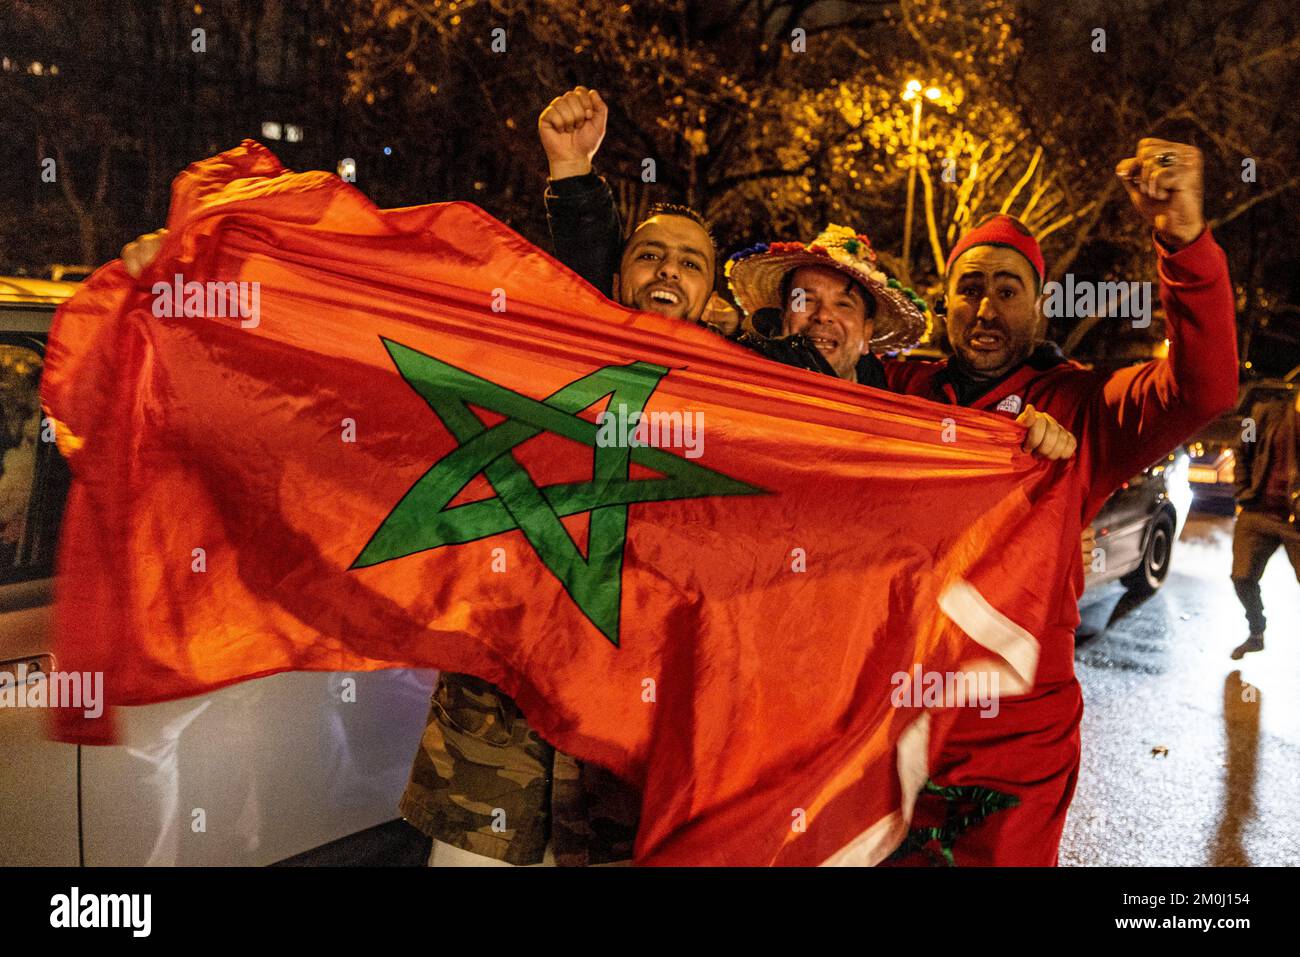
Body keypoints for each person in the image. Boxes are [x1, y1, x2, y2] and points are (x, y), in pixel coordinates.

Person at [844, 136, 1230, 865]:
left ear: (1040, 305)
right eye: (970, 285)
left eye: (1007, 288)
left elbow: (1204, 388)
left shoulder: (1085, 407)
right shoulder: (898, 390)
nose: (985, 305)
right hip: (888, 719)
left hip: (1013, 738)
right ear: (945, 300)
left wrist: (1184, 244)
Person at [1228, 386, 1299, 659]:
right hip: (1258, 511)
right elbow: (1240, 447)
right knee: (1242, 577)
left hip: (1296, 523)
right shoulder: (1264, 413)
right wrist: (1244, 490)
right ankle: (1256, 633)